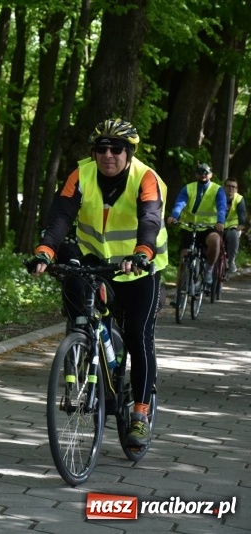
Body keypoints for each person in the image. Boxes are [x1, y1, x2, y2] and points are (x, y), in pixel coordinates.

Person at [26, 118, 167, 448]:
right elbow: (61, 216)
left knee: (137, 335)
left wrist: (142, 252)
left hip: (139, 269)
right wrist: (45, 252)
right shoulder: (82, 173)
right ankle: (85, 360)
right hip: (95, 263)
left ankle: (140, 415)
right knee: (82, 312)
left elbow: (150, 217)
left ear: (129, 152)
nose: (108, 155)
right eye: (101, 148)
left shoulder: (145, 178)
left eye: (116, 149)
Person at [165, 163, 226, 289]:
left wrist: (220, 221)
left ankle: (208, 270)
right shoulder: (188, 188)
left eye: (206, 173)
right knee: (184, 257)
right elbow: (180, 203)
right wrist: (174, 216)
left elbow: (221, 207)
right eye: (200, 172)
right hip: (189, 226)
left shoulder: (217, 189)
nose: (203, 175)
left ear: (211, 175)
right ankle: (180, 293)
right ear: (196, 174)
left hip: (209, 227)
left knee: (215, 241)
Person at [223, 178, 246, 274]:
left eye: (233, 187)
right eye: (228, 186)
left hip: (232, 226)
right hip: (216, 225)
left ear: (236, 189)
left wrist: (241, 224)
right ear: (224, 187)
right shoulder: (217, 196)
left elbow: (242, 213)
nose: (231, 188)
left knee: (234, 235)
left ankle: (231, 261)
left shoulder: (239, 198)